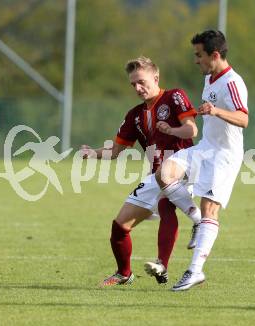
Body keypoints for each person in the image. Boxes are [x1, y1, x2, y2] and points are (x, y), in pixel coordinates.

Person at [80, 56, 201, 286]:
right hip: (156, 174)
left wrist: (172, 130)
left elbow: (191, 130)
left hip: (182, 167)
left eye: (141, 81)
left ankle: (162, 264)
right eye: (133, 84)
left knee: (167, 206)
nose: (137, 87)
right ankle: (124, 273)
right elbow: (115, 151)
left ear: (156, 77)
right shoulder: (134, 115)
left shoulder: (174, 96)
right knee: (119, 227)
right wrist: (92, 152)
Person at [155, 30, 249, 291]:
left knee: (211, 209)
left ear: (215, 55)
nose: (196, 60)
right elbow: (211, 113)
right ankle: (196, 220)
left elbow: (244, 119)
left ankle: (195, 270)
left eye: (199, 55)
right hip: (205, 148)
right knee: (164, 174)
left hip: (223, 156)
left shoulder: (232, 82)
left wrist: (217, 110)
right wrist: (177, 126)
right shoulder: (210, 78)